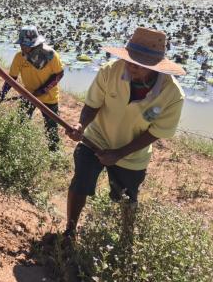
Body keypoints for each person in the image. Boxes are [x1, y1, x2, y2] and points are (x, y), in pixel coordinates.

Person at [64, 27, 185, 241]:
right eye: (129, 59)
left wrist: (119, 153)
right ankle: (70, 231)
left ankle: (126, 241)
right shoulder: (110, 71)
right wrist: (81, 125)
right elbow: (92, 104)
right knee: (80, 181)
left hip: (132, 153)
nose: (131, 66)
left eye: (139, 64)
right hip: (95, 139)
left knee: (127, 198)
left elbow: (155, 133)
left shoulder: (172, 94)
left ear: (155, 66)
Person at [0, 26, 64, 151]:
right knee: (22, 122)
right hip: (28, 94)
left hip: (49, 97)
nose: (22, 47)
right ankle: (20, 148)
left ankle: (54, 153)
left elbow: (59, 74)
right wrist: (2, 95)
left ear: (35, 44)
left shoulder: (51, 55)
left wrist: (42, 90)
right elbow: (12, 78)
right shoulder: (19, 57)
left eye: (25, 45)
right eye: (21, 44)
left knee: (51, 128)